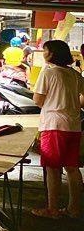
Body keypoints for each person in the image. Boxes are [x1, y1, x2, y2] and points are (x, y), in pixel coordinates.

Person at [31, 39, 84, 219]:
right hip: (73, 126)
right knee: (72, 168)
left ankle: (52, 209)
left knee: (52, 168)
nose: (43, 53)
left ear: (52, 53)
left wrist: (54, 103)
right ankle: (74, 208)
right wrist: (73, 105)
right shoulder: (74, 74)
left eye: (45, 50)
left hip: (54, 125)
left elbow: (38, 100)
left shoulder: (48, 72)